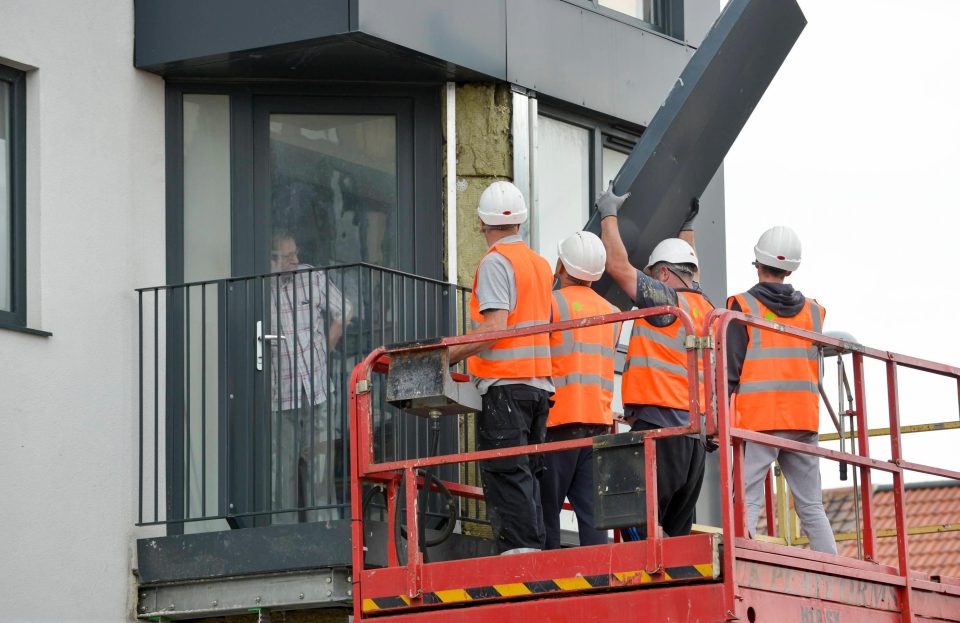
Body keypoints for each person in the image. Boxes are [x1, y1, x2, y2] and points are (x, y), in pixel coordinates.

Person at [597, 183, 713, 538]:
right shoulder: (706, 309)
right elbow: (688, 269)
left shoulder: (665, 302)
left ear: (663, 274)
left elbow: (617, 265)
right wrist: (686, 226)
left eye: (652, 271)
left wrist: (608, 213)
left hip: (661, 431)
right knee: (676, 536)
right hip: (693, 439)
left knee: (635, 519)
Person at [448, 181, 554, 554]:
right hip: (539, 388)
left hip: (505, 387)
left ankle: (521, 557)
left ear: (481, 222)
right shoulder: (540, 266)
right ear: (521, 220)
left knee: (507, 473)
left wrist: (447, 356)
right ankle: (533, 550)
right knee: (526, 474)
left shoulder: (496, 262)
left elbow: (495, 328)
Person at [726, 226, 837, 554]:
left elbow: (730, 370)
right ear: (790, 269)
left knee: (746, 500)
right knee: (811, 506)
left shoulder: (741, 305)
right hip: (803, 421)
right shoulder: (814, 312)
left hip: (761, 421)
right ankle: (834, 572)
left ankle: (743, 563)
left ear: (757, 263)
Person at [540, 231, 620, 549]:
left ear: (561, 265)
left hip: (558, 423)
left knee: (546, 514)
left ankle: (547, 585)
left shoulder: (551, 304)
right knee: (594, 519)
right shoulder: (614, 313)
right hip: (598, 426)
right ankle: (600, 583)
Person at [269, 230, 347, 524]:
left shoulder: (311, 277)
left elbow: (344, 311)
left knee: (319, 469)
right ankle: (282, 537)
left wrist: (323, 351)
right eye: (288, 256)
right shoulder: (261, 288)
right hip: (279, 393)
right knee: (282, 472)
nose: (296, 260)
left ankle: (325, 531)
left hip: (316, 389)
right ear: (271, 259)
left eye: (295, 253)